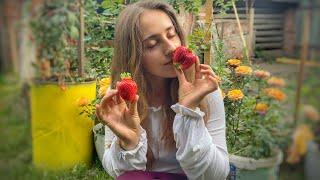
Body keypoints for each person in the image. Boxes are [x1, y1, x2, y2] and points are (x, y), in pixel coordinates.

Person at [95, 0, 229, 179]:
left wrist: (189, 111)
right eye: (152, 44)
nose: (171, 48)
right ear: (133, 55)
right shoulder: (123, 97)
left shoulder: (204, 90)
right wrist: (129, 142)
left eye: (172, 34)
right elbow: (118, 173)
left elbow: (217, 175)